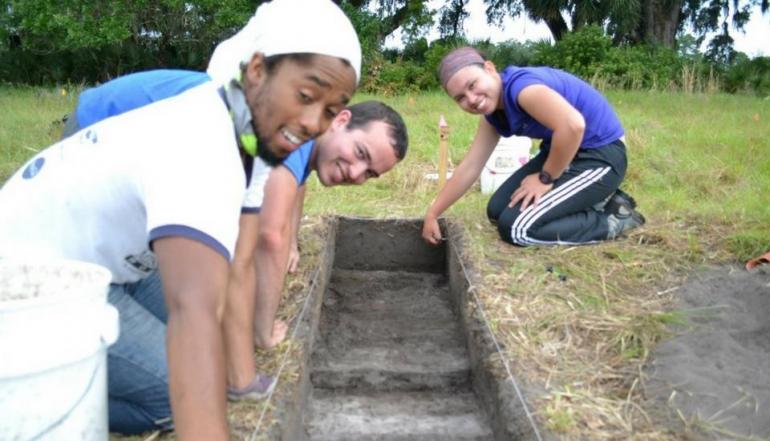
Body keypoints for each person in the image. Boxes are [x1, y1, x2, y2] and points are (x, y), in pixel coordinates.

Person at [0, 0, 361, 439]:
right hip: (31, 280)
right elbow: (193, 313)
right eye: (306, 95)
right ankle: (30, 395)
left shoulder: (252, 140)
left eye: (329, 109)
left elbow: (238, 265)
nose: (311, 122)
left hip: (110, 263)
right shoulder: (200, 143)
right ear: (258, 71)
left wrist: (242, 383)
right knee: (178, 391)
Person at [224, 100, 409, 399]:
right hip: (134, 243)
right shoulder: (290, 134)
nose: (356, 173)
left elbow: (296, 185)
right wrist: (263, 329)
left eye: (370, 174)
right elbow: (270, 237)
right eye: (361, 153)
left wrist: (293, 241)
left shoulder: (307, 137)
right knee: (180, 386)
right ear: (341, 120)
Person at [422, 46, 645, 247]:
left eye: (473, 85)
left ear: (489, 69)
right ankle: (590, 199)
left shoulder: (522, 89)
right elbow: (471, 166)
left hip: (601, 155)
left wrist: (545, 178)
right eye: (460, 98)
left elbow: (573, 126)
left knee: (517, 229)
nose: (471, 99)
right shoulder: (492, 114)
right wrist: (433, 213)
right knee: (497, 211)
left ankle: (614, 218)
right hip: (564, 152)